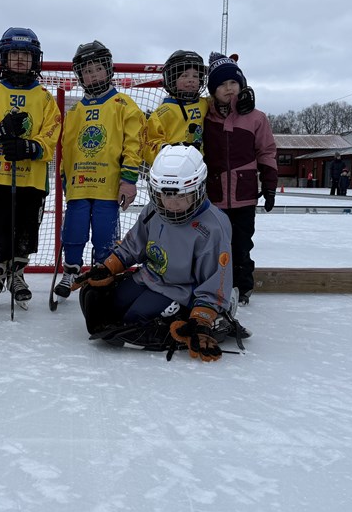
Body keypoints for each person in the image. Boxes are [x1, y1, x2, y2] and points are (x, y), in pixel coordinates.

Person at [75, 145, 241, 361]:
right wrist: (108, 267)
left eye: (181, 196)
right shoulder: (154, 210)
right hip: (149, 277)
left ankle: (215, 316)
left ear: (198, 190)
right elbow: (134, 243)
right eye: (165, 196)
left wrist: (202, 320)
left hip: (181, 290)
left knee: (135, 320)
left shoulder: (213, 227)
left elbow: (214, 279)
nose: (171, 204)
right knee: (104, 305)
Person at [0, 27, 62, 309]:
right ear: (3, 58)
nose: (20, 60)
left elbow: (52, 132)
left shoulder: (44, 97)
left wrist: (31, 147)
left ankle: (17, 275)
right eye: (14, 54)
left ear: (35, 60)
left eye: (25, 55)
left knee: (26, 230)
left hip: (32, 180)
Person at [53, 40, 144, 298]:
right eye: (86, 71)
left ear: (109, 69)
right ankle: (71, 270)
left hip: (108, 186)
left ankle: (103, 272)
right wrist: (64, 176)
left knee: (105, 233)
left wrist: (129, 179)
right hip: (79, 184)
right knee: (74, 229)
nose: (93, 75)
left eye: (98, 69)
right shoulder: (76, 110)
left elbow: (134, 144)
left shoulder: (123, 105)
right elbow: (67, 147)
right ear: (79, 76)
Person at [202, 52, 277, 306]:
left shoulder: (256, 118)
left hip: (244, 196)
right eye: (222, 84)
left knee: (242, 245)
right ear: (213, 90)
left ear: (242, 84)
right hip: (213, 197)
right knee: (214, 244)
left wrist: (270, 186)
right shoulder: (205, 116)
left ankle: (242, 288)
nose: (229, 88)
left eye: (233, 82)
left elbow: (266, 152)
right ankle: (214, 286)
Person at [141, 50, 208, 164]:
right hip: (171, 168)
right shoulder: (163, 112)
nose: (191, 80)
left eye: (196, 76)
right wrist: (167, 150)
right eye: (184, 75)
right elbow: (149, 143)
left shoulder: (206, 104)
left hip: (201, 167)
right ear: (172, 80)